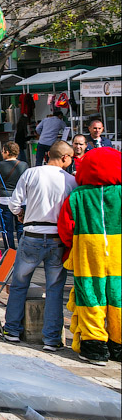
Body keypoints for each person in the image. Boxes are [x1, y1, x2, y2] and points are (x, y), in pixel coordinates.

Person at [0, 141, 77, 352]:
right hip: (56, 238)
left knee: (20, 283)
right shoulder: (70, 180)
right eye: (70, 158)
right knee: (54, 289)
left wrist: (21, 215)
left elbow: (14, 203)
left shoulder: (31, 173)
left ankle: (12, 330)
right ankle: (51, 339)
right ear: (63, 158)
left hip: (32, 234)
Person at [57, 147, 121, 365]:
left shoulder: (78, 196)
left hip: (87, 253)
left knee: (90, 296)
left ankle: (94, 346)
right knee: (118, 297)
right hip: (118, 255)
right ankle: (118, 344)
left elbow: (65, 228)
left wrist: (71, 245)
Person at [0, 143, 28, 250]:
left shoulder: (0, 165)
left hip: (4, 198)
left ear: (7, 152)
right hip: (21, 199)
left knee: (7, 227)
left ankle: (9, 250)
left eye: (3, 151)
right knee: (21, 226)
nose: (2, 153)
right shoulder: (24, 165)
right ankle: (22, 249)